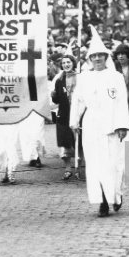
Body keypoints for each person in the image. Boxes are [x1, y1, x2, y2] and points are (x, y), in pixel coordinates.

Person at [70, 25, 129, 217]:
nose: (97, 59)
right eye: (93, 56)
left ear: (106, 57)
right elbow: (78, 100)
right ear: (89, 58)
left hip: (113, 124)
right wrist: (74, 121)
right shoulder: (84, 77)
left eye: (100, 55)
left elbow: (121, 102)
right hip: (92, 125)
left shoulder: (116, 76)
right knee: (96, 164)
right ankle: (103, 201)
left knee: (114, 163)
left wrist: (122, 125)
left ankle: (116, 194)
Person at [51, 51, 84, 180]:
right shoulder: (59, 80)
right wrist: (54, 96)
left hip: (77, 115)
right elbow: (57, 100)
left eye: (68, 62)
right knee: (65, 142)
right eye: (64, 63)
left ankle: (78, 168)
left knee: (79, 142)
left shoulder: (80, 78)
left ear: (73, 63)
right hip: (64, 115)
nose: (66, 65)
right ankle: (67, 168)